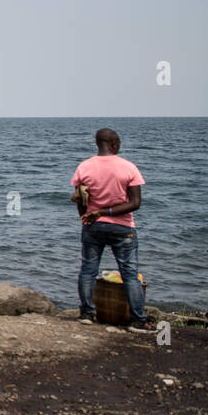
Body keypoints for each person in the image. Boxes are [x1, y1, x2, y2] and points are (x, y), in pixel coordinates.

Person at [72, 128, 151, 331]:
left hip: (92, 226)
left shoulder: (84, 167)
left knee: (88, 270)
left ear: (98, 144)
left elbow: (79, 197)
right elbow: (135, 203)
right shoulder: (129, 168)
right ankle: (138, 320)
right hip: (122, 227)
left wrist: (86, 216)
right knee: (130, 274)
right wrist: (106, 211)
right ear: (115, 143)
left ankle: (87, 313)